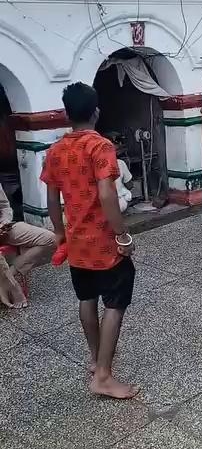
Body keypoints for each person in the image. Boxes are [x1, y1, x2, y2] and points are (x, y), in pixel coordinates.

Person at [41, 82, 138, 400]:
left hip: (77, 242)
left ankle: (96, 360)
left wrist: (59, 232)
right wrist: (122, 234)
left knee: (87, 298)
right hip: (103, 243)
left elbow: (52, 200)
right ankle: (104, 376)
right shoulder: (99, 146)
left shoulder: (55, 151)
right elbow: (107, 192)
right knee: (115, 301)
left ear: (66, 114)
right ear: (96, 111)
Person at [0, 184, 56, 308]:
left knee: (50, 239)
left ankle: (9, 275)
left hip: (4, 228)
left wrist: (4, 222)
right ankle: (13, 285)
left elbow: (4, 206)